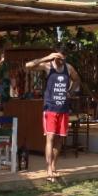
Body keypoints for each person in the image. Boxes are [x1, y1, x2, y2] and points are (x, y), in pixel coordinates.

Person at [25, 47, 81, 182]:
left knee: (59, 139)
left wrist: (70, 92)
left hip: (63, 109)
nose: (60, 61)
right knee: (50, 138)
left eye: (62, 59)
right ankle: (48, 168)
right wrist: (47, 57)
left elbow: (77, 80)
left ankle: (54, 165)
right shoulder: (48, 66)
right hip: (50, 108)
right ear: (54, 57)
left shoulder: (69, 68)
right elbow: (28, 65)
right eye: (58, 58)